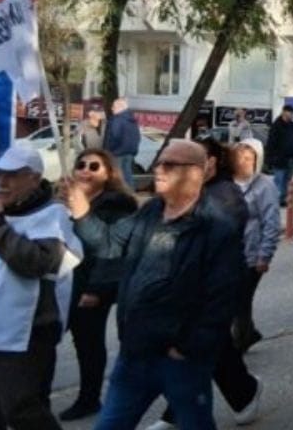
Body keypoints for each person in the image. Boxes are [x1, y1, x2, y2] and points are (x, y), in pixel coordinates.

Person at [84, 140, 243, 430]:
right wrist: (81, 213)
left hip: (179, 360)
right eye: (159, 162)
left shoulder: (217, 229)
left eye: (169, 165)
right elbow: (109, 244)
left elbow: (222, 299)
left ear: (196, 173)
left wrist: (188, 347)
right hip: (135, 352)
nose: (158, 169)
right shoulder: (150, 211)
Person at [0, 146, 83, 430]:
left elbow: (37, 262)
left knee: (21, 410)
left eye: (12, 175)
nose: (2, 182)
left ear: (34, 179)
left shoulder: (53, 214)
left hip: (26, 331)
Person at [57, 150, 139, 421]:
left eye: (95, 166)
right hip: (68, 279)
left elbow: (110, 251)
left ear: (108, 174)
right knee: (69, 337)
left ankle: (89, 398)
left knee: (89, 341)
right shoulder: (66, 200)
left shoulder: (117, 203)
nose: (86, 170)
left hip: (95, 283)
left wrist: (95, 290)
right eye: (81, 165)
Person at [230, 139, 282, 352]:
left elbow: (271, 221)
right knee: (234, 297)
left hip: (251, 253)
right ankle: (249, 333)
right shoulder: (226, 182)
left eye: (249, 158)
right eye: (239, 157)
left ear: (257, 161)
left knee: (240, 298)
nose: (243, 162)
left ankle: (240, 342)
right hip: (228, 253)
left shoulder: (265, 185)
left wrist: (265, 255)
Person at [265, 105, 293, 208]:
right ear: (284, 112)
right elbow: (271, 143)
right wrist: (270, 159)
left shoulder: (292, 126)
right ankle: (275, 201)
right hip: (279, 159)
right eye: (290, 113)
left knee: (287, 182)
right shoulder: (276, 126)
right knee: (278, 181)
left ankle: (283, 200)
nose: (292, 115)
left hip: (291, 159)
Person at [104, 98, 141, 179]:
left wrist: (109, 151)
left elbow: (114, 136)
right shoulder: (131, 120)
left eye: (114, 106)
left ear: (120, 107)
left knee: (117, 178)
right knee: (127, 176)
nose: (112, 108)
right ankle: (129, 191)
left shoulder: (117, 119)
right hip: (130, 153)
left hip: (117, 153)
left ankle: (120, 191)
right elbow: (137, 136)